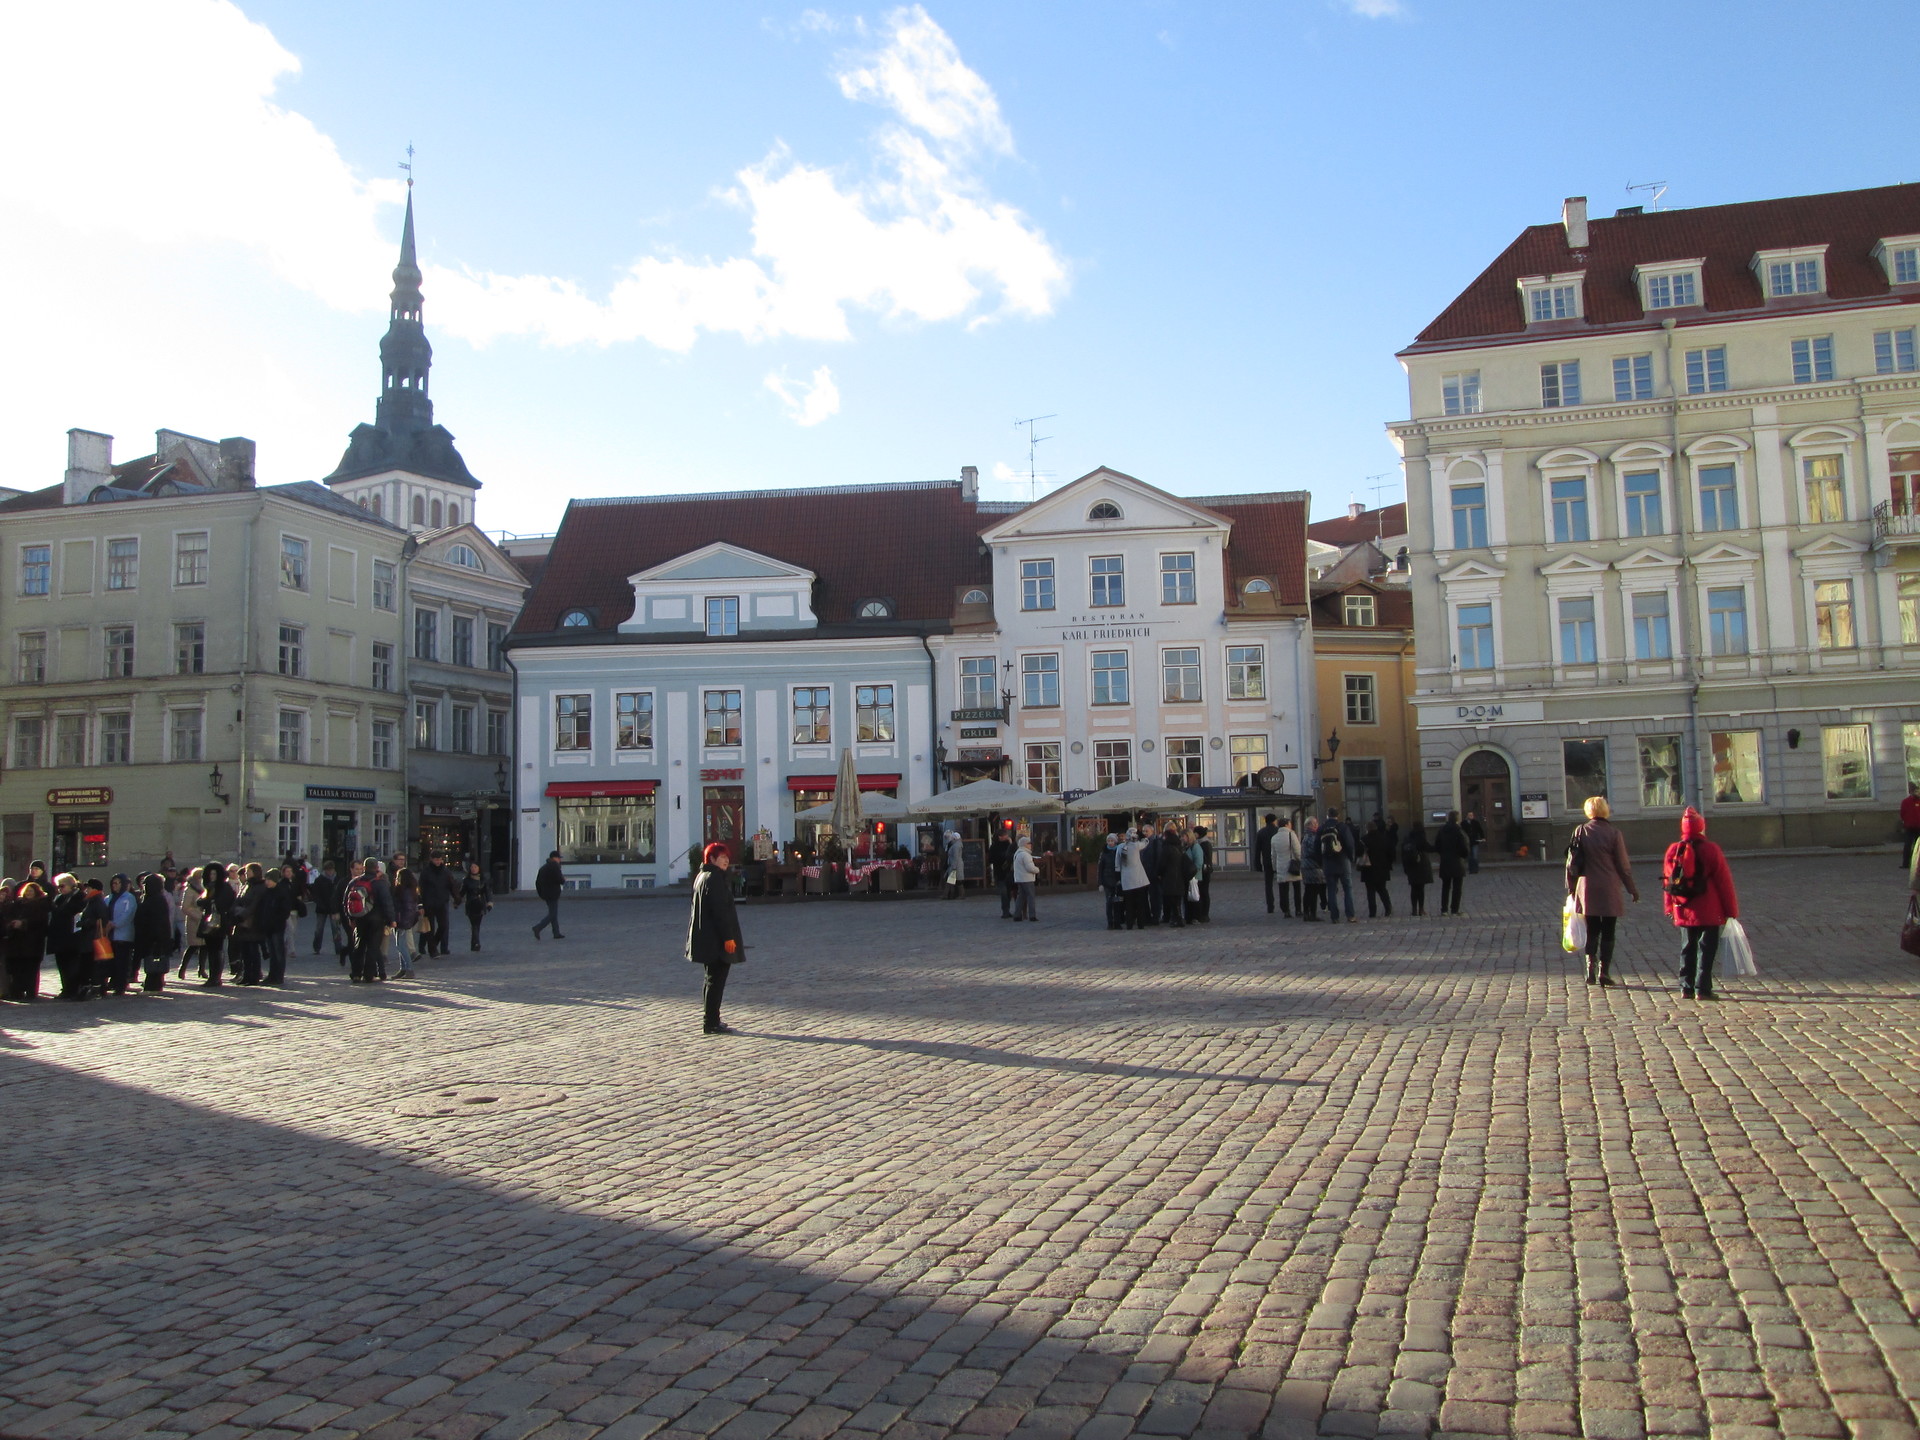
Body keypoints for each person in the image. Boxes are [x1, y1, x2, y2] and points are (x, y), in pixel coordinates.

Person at [1663, 806, 1738, 1001]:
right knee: (1707, 949)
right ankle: (1703, 988)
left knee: (1687, 947)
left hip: (1683, 906)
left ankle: (1685, 986)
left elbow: (1668, 882)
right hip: (1709, 909)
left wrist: (1669, 906)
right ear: (1701, 827)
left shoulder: (1674, 849)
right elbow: (1724, 882)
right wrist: (1731, 910)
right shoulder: (1711, 849)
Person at [1568, 796, 1638, 987]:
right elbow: (1623, 865)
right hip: (1608, 888)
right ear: (1605, 810)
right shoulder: (1614, 833)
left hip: (1587, 887)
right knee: (1608, 931)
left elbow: (1571, 862)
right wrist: (1631, 888)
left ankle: (1590, 969)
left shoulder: (1580, 831)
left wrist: (1571, 888)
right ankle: (1604, 972)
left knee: (1592, 930)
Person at [686, 842, 744, 1035]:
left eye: (727, 857)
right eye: (721, 857)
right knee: (715, 981)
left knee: (710, 979)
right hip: (716, 940)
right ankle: (711, 1021)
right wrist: (728, 938)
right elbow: (720, 912)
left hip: (707, 938)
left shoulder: (702, 876)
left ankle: (711, 1019)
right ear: (711, 859)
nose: (726, 860)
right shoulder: (714, 878)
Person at [347, 857, 394, 982]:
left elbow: (346, 900)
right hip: (376, 919)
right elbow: (387, 902)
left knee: (359, 945)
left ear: (364, 867)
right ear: (377, 868)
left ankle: (356, 973)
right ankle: (369, 974)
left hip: (359, 918)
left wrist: (350, 917)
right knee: (373, 947)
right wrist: (391, 919)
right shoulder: (380, 883)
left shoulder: (355, 882)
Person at [2, 880, 49, 1001]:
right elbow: (8, 917)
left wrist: (23, 924)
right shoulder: (17, 904)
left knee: (30, 969)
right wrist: (12, 924)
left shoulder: (41, 905)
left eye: (31, 891)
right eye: (27, 891)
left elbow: (40, 922)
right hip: (17, 942)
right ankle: (17, 991)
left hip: (33, 943)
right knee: (17, 968)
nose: (28, 893)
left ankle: (30, 992)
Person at [49, 874, 89, 1001]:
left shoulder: (80, 897)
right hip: (59, 937)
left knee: (72, 964)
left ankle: (73, 989)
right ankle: (66, 988)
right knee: (62, 964)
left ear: (72, 885)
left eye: (62, 886)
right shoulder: (59, 898)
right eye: (58, 886)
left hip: (73, 936)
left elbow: (75, 912)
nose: (60, 889)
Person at [134, 874, 176, 992]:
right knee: (151, 961)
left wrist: (158, 939)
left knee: (155, 962)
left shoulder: (157, 899)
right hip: (149, 936)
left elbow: (159, 922)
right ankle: (152, 983)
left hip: (154, 937)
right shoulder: (151, 898)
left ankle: (154, 984)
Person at [1317, 809, 1358, 924]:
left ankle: (1334, 917)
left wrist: (1321, 861)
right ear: (1338, 815)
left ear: (1327, 815)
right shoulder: (1343, 827)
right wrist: (1351, 857)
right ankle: (1350, 915)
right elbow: (1350, 843)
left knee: (1331, 889)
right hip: (1342, 860)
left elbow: (1317, 845)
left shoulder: (1322, 828)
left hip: (1328, 862)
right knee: (1348, 888)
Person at [198, 863, 236, 987]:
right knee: (211, 949)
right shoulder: (210, 887)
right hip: (210, 921)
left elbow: (223, 903)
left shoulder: (224, 887)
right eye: (210, 874)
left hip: (219, 921)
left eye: (214, 874)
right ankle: (213, 976)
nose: (212, 876)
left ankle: (216, 977)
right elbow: (203, 901)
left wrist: (207, 901)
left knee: (217, 949)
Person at [229, 864, 265, 986]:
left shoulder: (260, 886)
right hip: (242, 923)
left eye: (249, 871)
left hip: (253, 923)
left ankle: (254, 976)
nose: (247, 873)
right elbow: (238, 900)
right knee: (244, 951)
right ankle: (246, 975)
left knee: (253, 950)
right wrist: (234, 912)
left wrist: (242, 915)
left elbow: (254, 905)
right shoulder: (246, 885)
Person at [106, 873, 138, 993]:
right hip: (110, 935)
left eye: (118, 883)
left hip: (123, 935)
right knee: (112, 961)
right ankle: (113, 982)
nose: (115, 885)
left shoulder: (129, 897)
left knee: (122, 961)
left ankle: (121, 985)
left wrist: (114, 924)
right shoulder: (109, 898)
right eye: (114, 883)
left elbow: (128, 914)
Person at [1435, 812, 1471, 916]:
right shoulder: (1459, 831)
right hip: (1457, 861)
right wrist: (1464, 856)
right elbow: (1464, 847)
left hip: (1445, 861)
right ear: (1457, 819)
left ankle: (1444, 909)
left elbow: (1437, 845)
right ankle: (1454, 909)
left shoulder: (1442, 830)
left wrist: (1443, 854)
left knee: (1445, 886)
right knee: (1457, 887)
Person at [1157, 824, 1192, 928]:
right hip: (1179, 877)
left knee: (1172, 900)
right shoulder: (1179, 847)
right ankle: (1178, 917)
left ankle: (1177, 918)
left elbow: (1162, 864)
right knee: (1177, 900)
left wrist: (1158, 873)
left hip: (1169, 877)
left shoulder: (1167, 848)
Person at [1118, 828, 1152, 930]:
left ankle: (1129, 923)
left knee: (1129, 904)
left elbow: (1119, 864)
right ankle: (1141, 923)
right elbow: (1146, 842)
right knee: (1140, 903)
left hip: (1127, 881)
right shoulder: (1136, 846)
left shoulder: (1122, 847)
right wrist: (1143, 836)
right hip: (1138, 881)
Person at [1362, 818, 1397, 918]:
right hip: (1382, 868)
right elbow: (1391, 853)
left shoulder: (1364, 839)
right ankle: (1388, 908)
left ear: (1367, 829)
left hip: (1368, 869)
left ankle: (1372, 912)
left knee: (1370, 891)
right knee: (1382, 889)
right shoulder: (1384, 838)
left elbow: (1359, 853)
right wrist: (1389, 863)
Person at [419, 857, 453, 958]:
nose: (438, 862)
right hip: (429, 903)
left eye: (439, 859)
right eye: (436, 860)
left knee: (443, 925)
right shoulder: (426, 872)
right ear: (432, 860)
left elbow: (451, 885)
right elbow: (420, 888)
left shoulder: (445, 871)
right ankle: (432, 951)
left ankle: (433, 943)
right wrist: (420, 903)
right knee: (430, 928)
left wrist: (457, 897)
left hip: (442, 902)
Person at [1267, 817, 1301, 918]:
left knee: (1283, 890)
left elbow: (1273, 855)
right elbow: (1297, 851)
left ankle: (1286, 910)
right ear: (1286, 824)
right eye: (1290, 823)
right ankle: (1298, 909)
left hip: (1281, 865)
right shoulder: (1292, 834)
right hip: (1293, 865)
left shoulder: (1274, 837)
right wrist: (1300, 861)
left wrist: (1274, 867)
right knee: (1297, 889)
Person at [390, 867, 421, 979]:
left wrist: (400, 920)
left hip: (402, 920)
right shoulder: (410, 890)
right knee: (400, 945)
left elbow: (406, 909)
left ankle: (409, 969)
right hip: (403, 920)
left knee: (401, 946)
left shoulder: (404, 891)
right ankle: (403, 968)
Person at [310, 859, 342, 959]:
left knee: (336, 929)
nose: (329, 872)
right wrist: (321, 904)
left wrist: (338, 907)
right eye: (328, 870)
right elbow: (315, 895)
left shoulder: (338, 879)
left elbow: (340, 894)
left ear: (333, 870)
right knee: (319, 929)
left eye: (331, 870)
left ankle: (338, 948)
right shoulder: (319, 880)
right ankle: (317, 947)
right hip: (322, 908)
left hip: (334, 909)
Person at [1401, 821, 1434, 917]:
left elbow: (1403, 852)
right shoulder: (1421, 837)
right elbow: (1428, 848)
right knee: (1421, 888)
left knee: (1414, 888)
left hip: (1411, 865)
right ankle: (1421, 909)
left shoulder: (1408, 838)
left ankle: (1414, 909)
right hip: (1421, 864)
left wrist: (1405, 867)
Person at [532, 850, 567, 939]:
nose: (560, 860)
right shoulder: (555, 867)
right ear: (555, 858)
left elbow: (537, 882)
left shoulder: (543, 868)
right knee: (552, 914)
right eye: (559, 858)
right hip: (553, 893)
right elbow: (561, 880)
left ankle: (556, 932)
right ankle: (538, 927)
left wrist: (541, 893)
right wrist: (563, 879)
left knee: (553, 913)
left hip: (546, 894)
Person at [460, 861, 493, 950]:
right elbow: (462, 893)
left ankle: (474, 943)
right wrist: (457, 901)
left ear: (479, 868)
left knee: (477, 924)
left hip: (480, 904)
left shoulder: (483, 880)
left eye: (475, 867)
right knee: (474, 924)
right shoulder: (466, 880)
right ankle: (476, 943)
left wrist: (489, 902)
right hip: (471, 904)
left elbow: (487, 892)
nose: (473, 869)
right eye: (472, 867)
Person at [1300, 817, 1325, 921]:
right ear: (1309, 825)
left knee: (1308, 890)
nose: (1316, 825)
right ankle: (1312, 914)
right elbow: (1314, 852)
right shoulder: (1312, 837)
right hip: (1312, 867)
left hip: (1306, 866)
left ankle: (1306, 912)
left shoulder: (1305, 836)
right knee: (1313, 891)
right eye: (1315, 824)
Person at [1255, 813, 1280, 914]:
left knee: (1268, 884)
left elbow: (1257, 850)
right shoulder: (1278, 831)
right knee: (1283, 883)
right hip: (1279, 860)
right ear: (1274, 821)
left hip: (1267, 861)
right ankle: (1285, 905)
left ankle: (1270, 906)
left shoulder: (1261, 832)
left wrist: (1257, 864)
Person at [988, 825, 1016, 917]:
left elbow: (1014, 855)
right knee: (1004, 892)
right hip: (1000, 872)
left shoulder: (1009, 845)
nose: (1007, 836)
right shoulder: (994, 846)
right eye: (1005, 835)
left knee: (1008, 892)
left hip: (1010, 872)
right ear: (1000, 837)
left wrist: (1011, 844)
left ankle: (1007, 910)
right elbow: (991, 859)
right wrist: (1002, 857)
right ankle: (1005, 911)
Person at [1011, 836, 1040, 921]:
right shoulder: (1026, 855)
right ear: (1025, 844)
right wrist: (1037, 870)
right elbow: (1030, 868)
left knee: (1020, 897)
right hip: (1027, 879)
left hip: (1019, 879)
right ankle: (1032, 916)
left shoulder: (1017, 853)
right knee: (1031, 897)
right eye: (1029, 843)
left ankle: (1017, 915)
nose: (1031, 845)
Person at [1097, 834, 1123, 930]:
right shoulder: (1104, 853)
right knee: (1109, 903)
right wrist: (1100, 883)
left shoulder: (1119, 851)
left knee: (1117, 903)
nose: (1110, 843)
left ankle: (1117, 922)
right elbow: (1100, 869)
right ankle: (1110, 922)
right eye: (1109, 841)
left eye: (1112, 841)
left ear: (1115, 841)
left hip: (1117, 880)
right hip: (1107, 880)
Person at [1191, 827, 1214, 923]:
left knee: (1204, 892)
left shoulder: (1204, 844)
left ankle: (1204, 913)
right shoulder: (1202, 843)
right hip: (1204, 871)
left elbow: (1206, 859)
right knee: (1202, 892)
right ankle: (1202, 913)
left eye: (1194, 833)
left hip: (1204, 872)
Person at [1903, 782, 1920, 872]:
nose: (1918, 793)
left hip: (1918, 826)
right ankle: (1906, 863)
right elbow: (1902, 813)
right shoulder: (1906, 802)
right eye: (1916, 791)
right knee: (1908, 845)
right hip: (1910, 826)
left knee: (1918, 847)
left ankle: (1916, 863)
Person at [942, 830, 964, 899]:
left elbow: (955, 857)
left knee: (954, 881)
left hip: (955, 866)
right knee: (951, 881)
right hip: (954, 866)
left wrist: (954, 867)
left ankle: (958, 895)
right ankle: (948, 895)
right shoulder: (956, 845)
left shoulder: (956, 846)